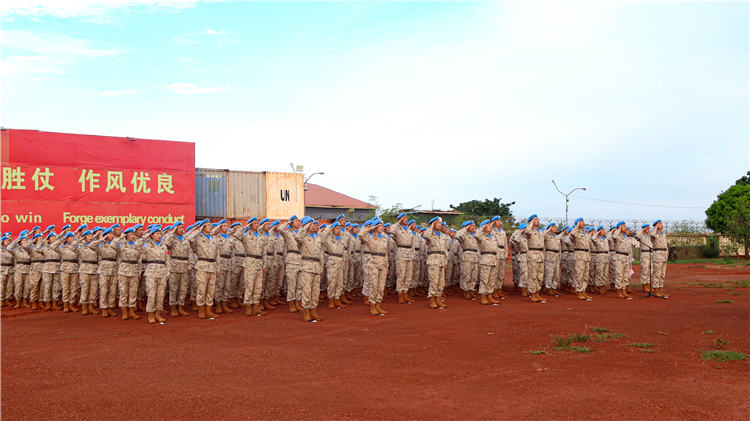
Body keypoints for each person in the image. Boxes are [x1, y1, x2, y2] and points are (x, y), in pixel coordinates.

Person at [292, 217, 325, 322]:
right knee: (307, 290)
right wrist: (305, 227)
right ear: (306, 225)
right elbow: (297, 237)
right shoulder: (303, 237)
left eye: (315, 224)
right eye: (311, 224)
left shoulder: (318, 237)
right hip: (306, 266)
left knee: (315, 291)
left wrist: (321, 266)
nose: (314, 226)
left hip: (316, 266)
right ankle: (306, 312)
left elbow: (320, 253)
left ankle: (313, 311)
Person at [187, 219, 220, 319]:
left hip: (213, 265)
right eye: (208, 225)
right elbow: (189, 238)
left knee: (211, 289)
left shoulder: (214, 238)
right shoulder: (198, 238)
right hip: (202, 265)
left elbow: (217, 254)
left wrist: (218, 268)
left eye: (211, 225)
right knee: (202, 289)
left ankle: (208, 310)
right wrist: (199, 229)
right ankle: (201, 310)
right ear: (203, 227)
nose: (211, 227)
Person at [235, 217, 267, 316]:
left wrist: (264, 265)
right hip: (250, 262)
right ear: (250, 225)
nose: (257, 225)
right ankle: (248, 306)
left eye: (258, 223)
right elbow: (236, 235)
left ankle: (256, 306)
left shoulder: (262, 236)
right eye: (255, 223)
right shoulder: (245, 235)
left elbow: (264, 252)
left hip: (259, 262)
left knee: (258, 286)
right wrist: (245, 227)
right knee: (249, 285)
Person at [139, 226, 170, 323]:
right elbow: (136, 244)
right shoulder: (146, 245)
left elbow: (167, 260)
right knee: (152, 294)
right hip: (151, 271)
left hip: (162, 271)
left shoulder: (163, 246)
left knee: (160, 294)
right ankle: (151, 314)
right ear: (151, 235)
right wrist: (146, 236)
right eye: (156, 234)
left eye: (160, 233)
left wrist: (168, 272)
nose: (159, 235)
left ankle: (158, 314)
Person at [359, 218, 390, 315]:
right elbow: (361, 234)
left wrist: (387, 266)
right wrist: (371, 228)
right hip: (374, 263)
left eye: (382, 226)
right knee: (374, 285)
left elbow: (386, 253)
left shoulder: (384, 238)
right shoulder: (370, 237)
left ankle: (378, 305)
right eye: (379, 226)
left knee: (381, 286)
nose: (381, 228)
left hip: (383, 263)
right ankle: (372, 305)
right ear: (375, 227)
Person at [162, 222, 191, 316]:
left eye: (183, 227)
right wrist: (172, 232)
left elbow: (189, 253)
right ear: (175, 229)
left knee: (183, 288)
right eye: (179, 228)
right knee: (174, 288)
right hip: (174, 265)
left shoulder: (186, 238)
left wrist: (190, 265)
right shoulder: (171, 238)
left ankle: (181, 307)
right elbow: (165, 243)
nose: (182, 229)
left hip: (185, 265)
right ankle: (173, 307)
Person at [89, 228, 119, 317]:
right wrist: (100, 239)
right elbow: (91, 246)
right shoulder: (101, 244)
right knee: (104, 289)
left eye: (112, 234)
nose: (112, 236)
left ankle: (110, 308)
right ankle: (104, 309)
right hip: (104, 268)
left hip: (114, 268)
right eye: (109, 234)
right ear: (105, 236)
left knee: (113, 290)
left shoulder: (115, 244)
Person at [114, 227, 143, 320]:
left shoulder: (136, 245)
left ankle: (132, 311)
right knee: (123, 292)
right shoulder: (121, 244)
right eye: (130, 234)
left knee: (133, 292)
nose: (132, 236)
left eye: (133, 234)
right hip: (124, 271)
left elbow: (139, 259)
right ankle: (124, 312)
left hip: (134, 270)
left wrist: (139, 271)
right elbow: (113, 245)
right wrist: (121, 237)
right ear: (126, 235)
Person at [389, 213, 415, 304]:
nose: (406, 219)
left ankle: (405, 292)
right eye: (404, 218)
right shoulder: (397, 229)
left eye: (406, 218)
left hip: (409, 253)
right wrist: (398, 222)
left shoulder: (409, 230)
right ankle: (400, 293)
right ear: (400, 220)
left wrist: (413, 255)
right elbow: (390, 230)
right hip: (401, 251)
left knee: (408, 275)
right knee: (401, 274)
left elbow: (413, 244)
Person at [422, 217, 448, 309]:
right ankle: (432, 300)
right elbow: (425, 235)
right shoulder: (430, 234)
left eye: (440, 223)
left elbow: (445, 250)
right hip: (433, 260)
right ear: (433, 224)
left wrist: (446, 261)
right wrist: (431, 226)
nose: (440, 225)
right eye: (438, 223)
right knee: (434, 281)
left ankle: (438, 299)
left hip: (441, 260)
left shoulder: (443, 236)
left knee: (441, 282)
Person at [279, 215, 303, 313]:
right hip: (292, 260)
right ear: (292, 223)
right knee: (292, 284)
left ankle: (298, 303)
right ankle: (291, 304)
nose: (298, 222)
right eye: (295, 221)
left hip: (301, 259)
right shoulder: (288, 233)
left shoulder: (302, 233)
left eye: (298, 221)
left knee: (300, 284)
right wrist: (287, 223)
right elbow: (280, 229)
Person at [474, 220, 501, 305]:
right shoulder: (481, 236)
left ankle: (490, 296)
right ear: (484, 227)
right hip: (485, 259)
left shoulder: (493, 236)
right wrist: (482, 227)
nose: (491, 227)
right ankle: (483, 297)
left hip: (493, 259)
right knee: (484, 279)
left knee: (492, 279)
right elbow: (476, 235)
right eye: (488, 226)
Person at [212, 220, 234, 314]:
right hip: (220, 263)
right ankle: (218, 304)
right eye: (223, 226)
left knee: (227, 286)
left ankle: (224, 304)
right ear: (220, 227)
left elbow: (233, 253)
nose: (226, 227)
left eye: (226, 226)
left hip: (228, 263)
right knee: (219, 286)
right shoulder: (215, 238)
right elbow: (215, 254)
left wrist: (232, 266)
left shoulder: (230, 238)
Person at [522, 215, 546, 303]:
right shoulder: (530, 231)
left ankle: (537, 293)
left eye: (538, 219)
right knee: (533, 275)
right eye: (535, 219)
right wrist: (531, 223)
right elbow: (526, 231)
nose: (537, 220)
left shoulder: (540, 231)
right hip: (533, 254)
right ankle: (533, 294)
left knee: (540, 276)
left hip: (540, 254)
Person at [77, 230, 101, 315]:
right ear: (85, 237)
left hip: (94, 269)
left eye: (91, 235)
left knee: (93, 290)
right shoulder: (81, 245)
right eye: (89, 235)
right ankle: (84, 307)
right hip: (85, 268)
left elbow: (99, 257)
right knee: (85, 289)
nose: (91, 237)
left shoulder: (96, 246)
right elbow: (74, 246)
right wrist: (80, 239)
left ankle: (91, 307)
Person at [569, 218, 593, 300]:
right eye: (581, 222)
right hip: (579, 255)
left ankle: (583, 291)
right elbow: (571, 233)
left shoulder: (585, 233)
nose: (583, 223)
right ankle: (579, 291)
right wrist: (577, 226)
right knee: (579, 274)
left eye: (583, 222)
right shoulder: (576, 233)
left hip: (586, 255)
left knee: (585, 275)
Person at [455, 221, 480, 300]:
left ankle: (471, 290)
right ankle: (465, 290)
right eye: (471, 226)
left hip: (475, 256)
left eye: (474, 226)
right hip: (467, 256)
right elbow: (457, 235)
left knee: (474, 275)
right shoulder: (463, 235)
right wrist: (465, 228)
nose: (473, 227)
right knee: (466, 275)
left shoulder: (475, 235)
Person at [58, 231, 81, 312]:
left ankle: (71, 304)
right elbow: (53, 247)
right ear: (66, 238)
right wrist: (61, 240)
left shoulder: (76, 247)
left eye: (72, 237)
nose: (72, 239)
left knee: (73, 287)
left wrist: (80, 269)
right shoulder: (62, 247)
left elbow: (79, 258)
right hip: (65, 268)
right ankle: (66, 305)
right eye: (70, 237)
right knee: (65, 287)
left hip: (74, 268)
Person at [40, 232, 63, 311]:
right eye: (52, 237)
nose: (54, 238)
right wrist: (43, 240)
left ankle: (54, 303)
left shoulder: (59, 247)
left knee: (56, 287)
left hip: (57, 268)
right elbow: (36, 249)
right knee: (47, 286)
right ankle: (47, 304)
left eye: (55, 237)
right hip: (47, 268)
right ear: (48, 239)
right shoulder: (44, 247)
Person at [611, 222, 634, 298]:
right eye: (623, 226)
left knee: (625, 275)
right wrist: (619, 229)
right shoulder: (617, 235)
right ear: (620, 227)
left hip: (626, 258)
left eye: (625, 226)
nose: (625, 227)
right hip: (619, 257)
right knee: (619, 275)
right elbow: (614, 236)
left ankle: (624, 290)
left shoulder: (625, 237)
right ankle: (619, 291)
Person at [650, 220, 669, 298]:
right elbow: (652, 234)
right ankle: (656, 290)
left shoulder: (663, 235)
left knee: (662, 274)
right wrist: (655, 227)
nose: (661, 225)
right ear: (656, 226)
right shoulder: (654, 234)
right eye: (659, 224)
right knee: (657, 274)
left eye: (661, 223)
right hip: (658, 256)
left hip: (664, 256)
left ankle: (660, 289)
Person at [590, 226, 610, 295]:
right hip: (600, 256)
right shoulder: (597, 239)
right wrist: (597, 233)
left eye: (604, 230)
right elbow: (592, 238)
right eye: (602, 230)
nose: (604, 231)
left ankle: (603, 286)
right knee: (600, 273)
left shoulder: (605, 239)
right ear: (599, 231)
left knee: (605, 273)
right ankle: (599, 287)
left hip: (606, 256)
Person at [543, 222, 562, 297]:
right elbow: (542, 235)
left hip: (556, 256)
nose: (555, 228)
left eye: (555, 227)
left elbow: (559, 248)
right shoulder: (546, 235)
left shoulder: (556, 237)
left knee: (556, 274)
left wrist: (559, 256)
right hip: (549, 256)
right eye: (553, 227)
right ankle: (548, 288)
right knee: (549, 273)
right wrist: (548, 230)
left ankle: (554, 287)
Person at [1, 234, 15, 307]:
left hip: (10, 269)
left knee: (9, 286)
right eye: (6, 240)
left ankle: (7, 300)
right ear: (2, 242)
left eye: (8, 240)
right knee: (2, 286)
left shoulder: (10, 250)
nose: (8, 242)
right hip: (2, 269)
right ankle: (1, 300)